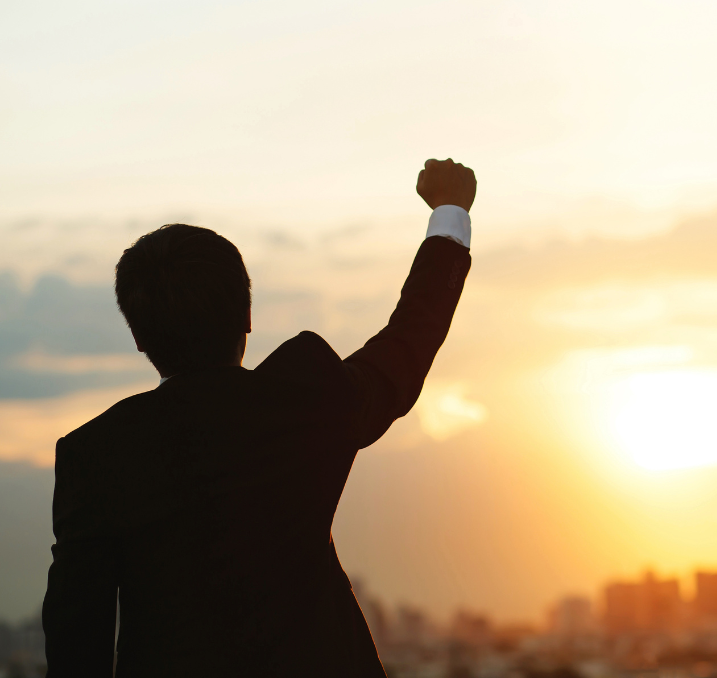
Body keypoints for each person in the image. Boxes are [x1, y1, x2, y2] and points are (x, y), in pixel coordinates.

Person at [42, 159, 476, 677]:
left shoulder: (95, 455)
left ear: (138, 337)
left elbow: (75, 642)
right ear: (247, 316)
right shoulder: (305, 399)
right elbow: (407, 343)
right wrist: (450, 213)